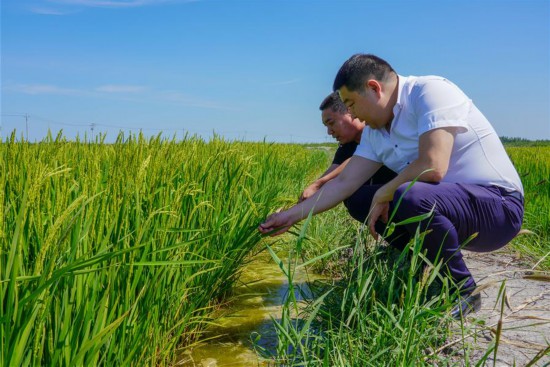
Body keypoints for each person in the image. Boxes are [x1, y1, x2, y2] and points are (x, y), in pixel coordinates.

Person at [259, 54, 524, 319]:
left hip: (498, 207)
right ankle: (425, 271)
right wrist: (289, 217)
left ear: (374, 88)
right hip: (453, 210)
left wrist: (385, 192)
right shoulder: (375, 134)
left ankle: (463, 290)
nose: (350, 113)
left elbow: (432, 165)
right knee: (359, 199)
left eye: (351, 104)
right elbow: (343, 183)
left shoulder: (429, 91)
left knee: (407, 194)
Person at [299, 92, 397, 222]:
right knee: (354, 198)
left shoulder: (377, 130)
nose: (329, 132)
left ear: (350, 111)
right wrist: (307, 195)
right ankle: (398, 241)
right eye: (326, 126)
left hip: (405, 189)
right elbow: (335, 170)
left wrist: (318, 184)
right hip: (382, 198)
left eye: (331, 123)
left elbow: (355, 162)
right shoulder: (347, 145)